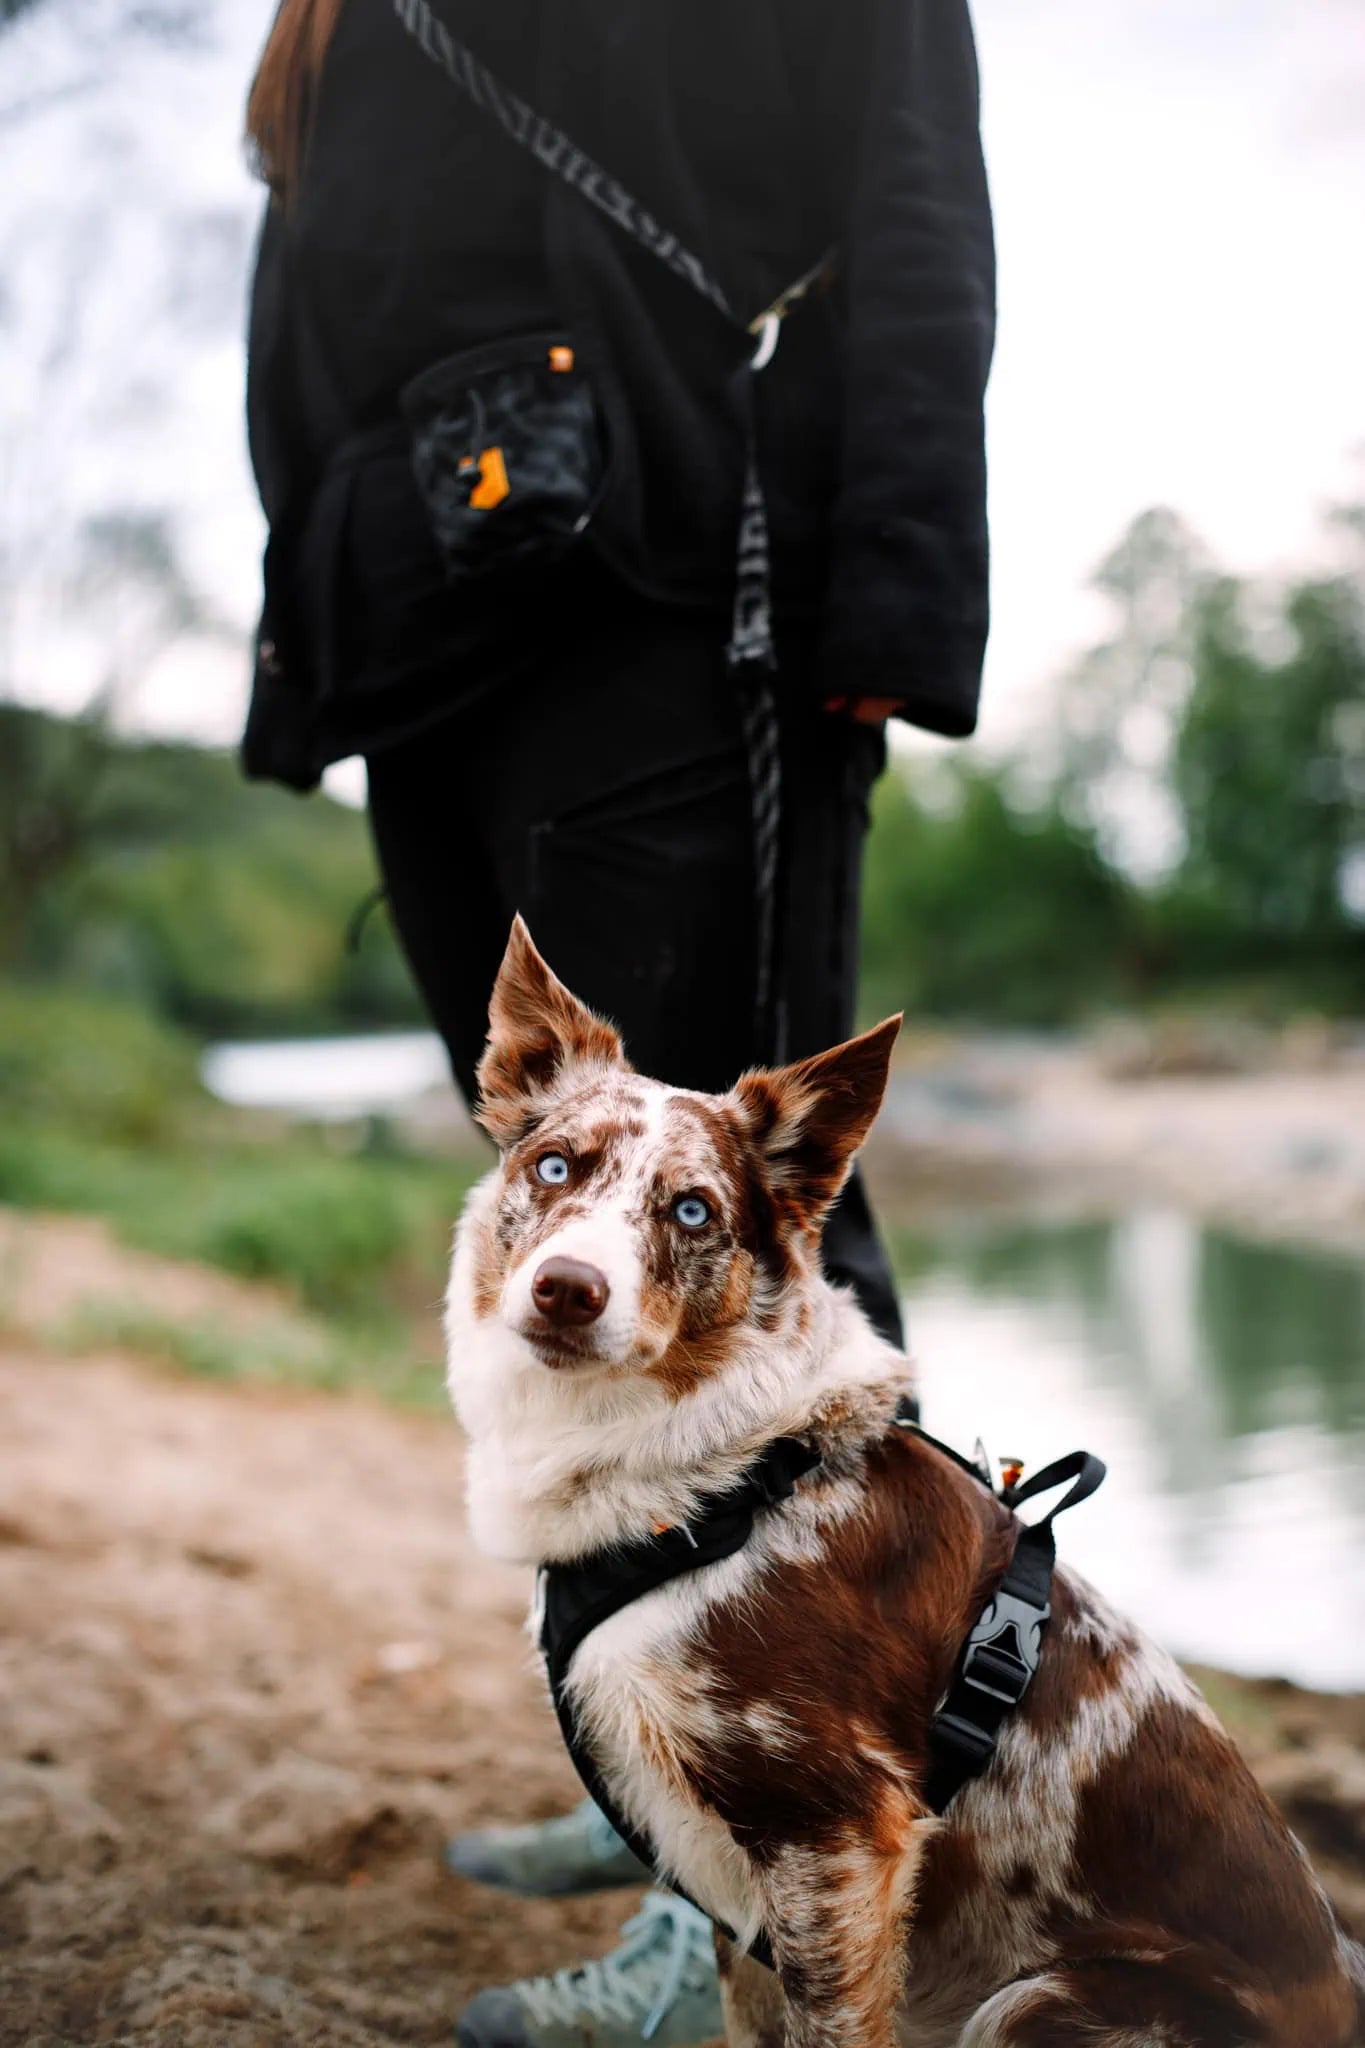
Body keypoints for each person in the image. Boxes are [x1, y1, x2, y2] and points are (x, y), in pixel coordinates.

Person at [242, 2, 994, 2041]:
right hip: (416, 623)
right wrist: (306, 632)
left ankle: (758, 1868)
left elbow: (910, 187)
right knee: (578, 1224)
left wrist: (892, 578)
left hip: (678, 584)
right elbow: (306, 282)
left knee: (750, 1247)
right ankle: (645, 1754)